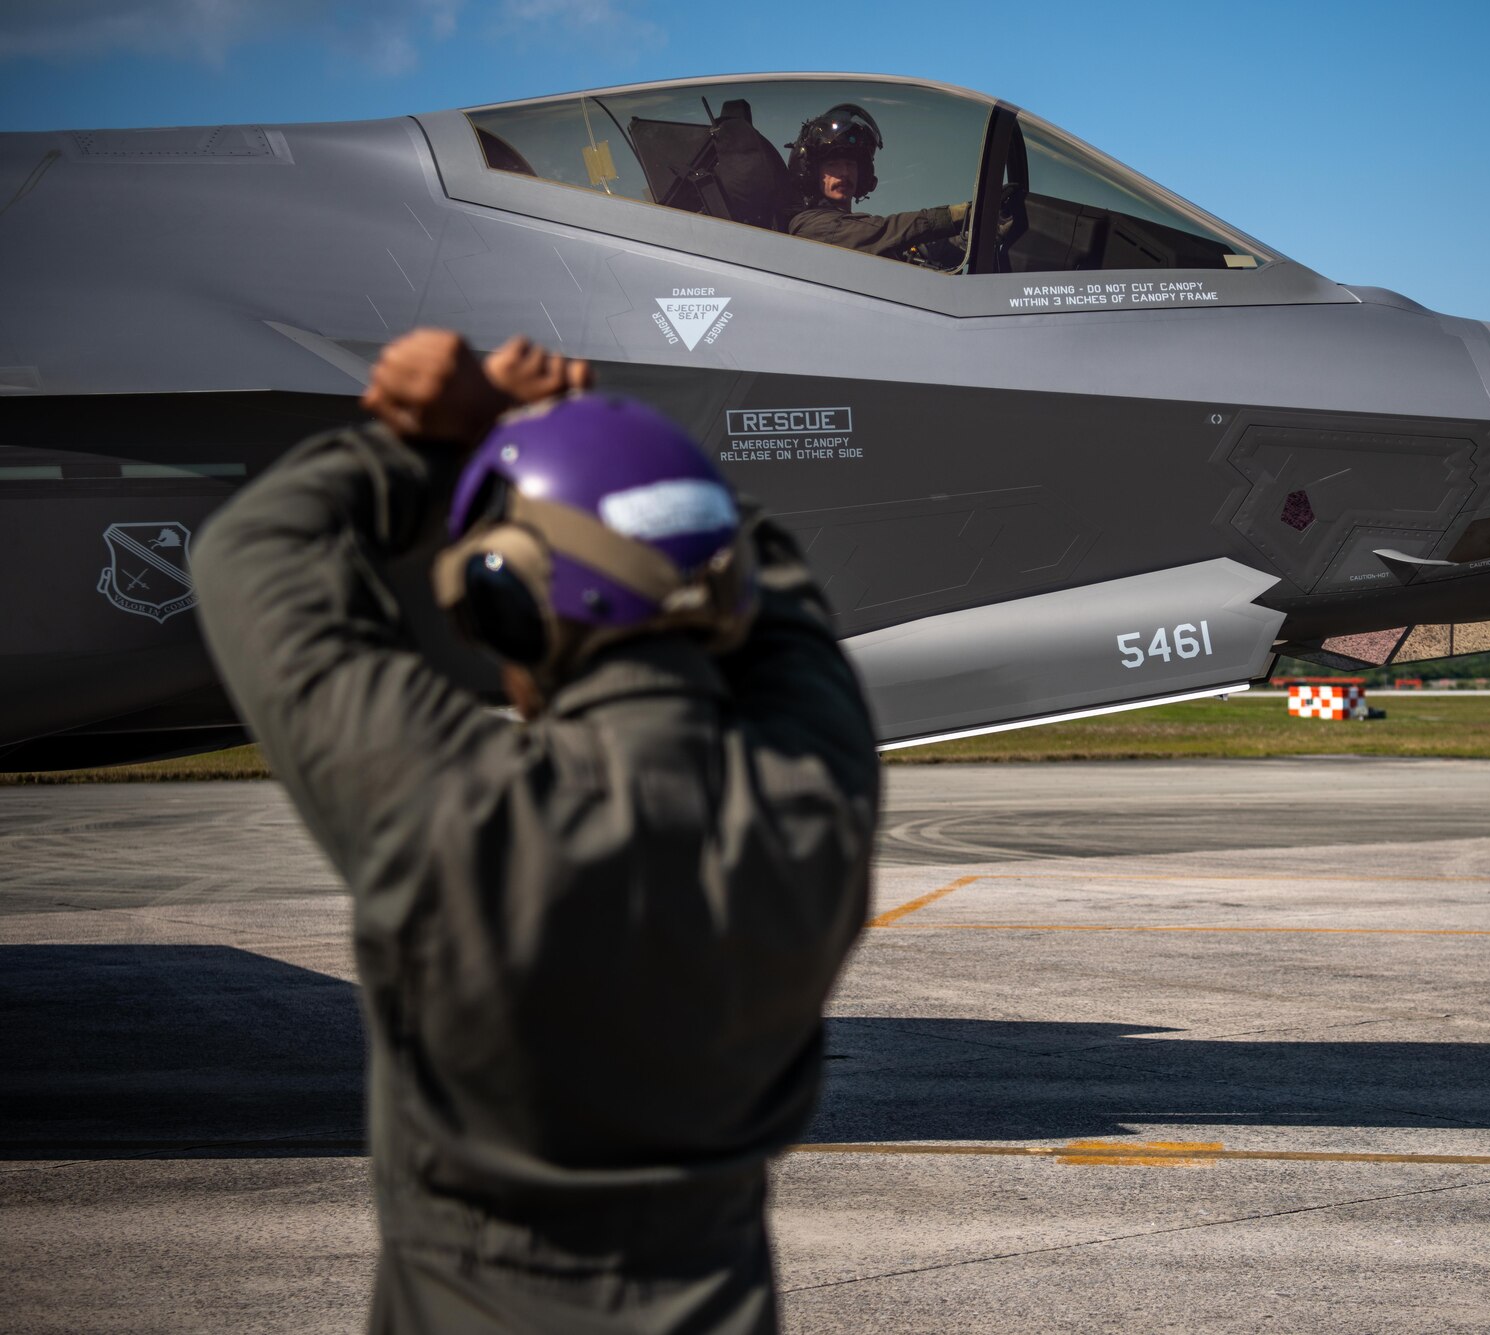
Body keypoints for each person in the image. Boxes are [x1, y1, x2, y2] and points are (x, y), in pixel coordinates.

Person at [190, 329, 880, 1333]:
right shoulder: (816, 798)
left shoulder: (457, 809)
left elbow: (249, 548)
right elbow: (769, 588)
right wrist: (612, 447)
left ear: (509, 600)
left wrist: (428, 441)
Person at [784, 102, 968, 260]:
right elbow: (885, 231)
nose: (845, 172)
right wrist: (959, 214)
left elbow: (916, 251)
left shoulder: (862, 234)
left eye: (851, 164)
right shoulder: (812, 226)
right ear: (812, 172)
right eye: (833, 164)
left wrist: (980, 231)